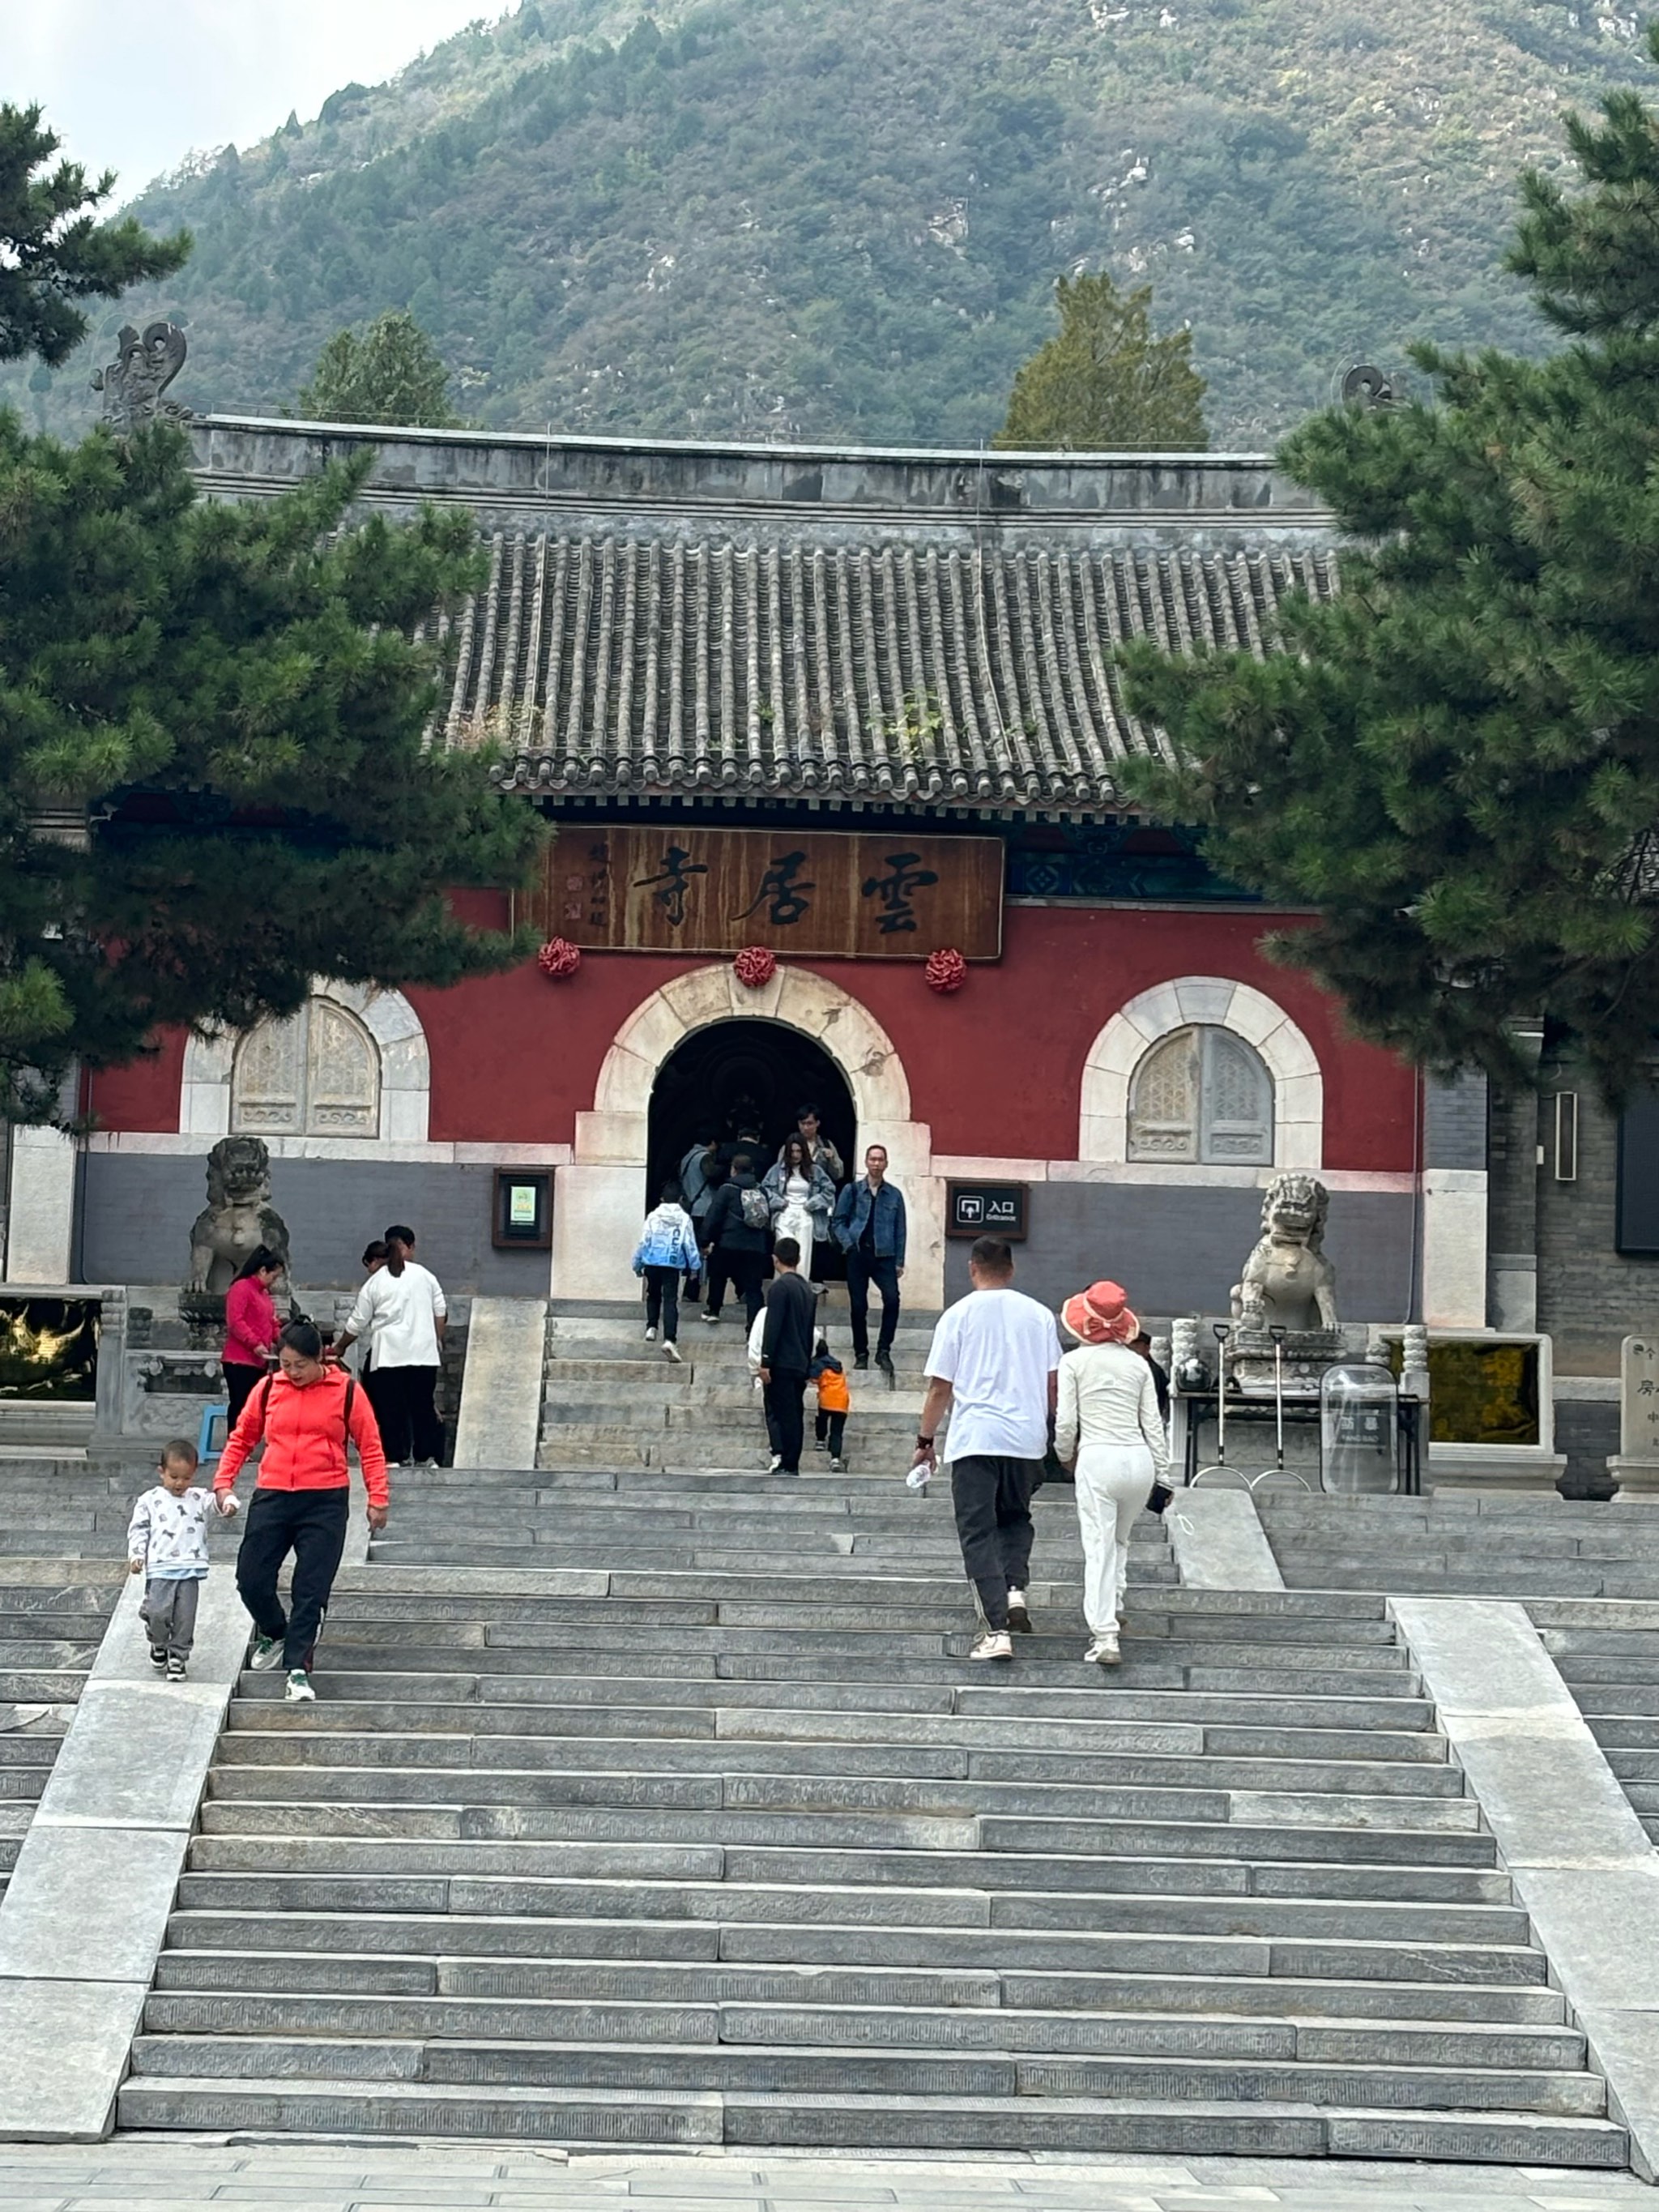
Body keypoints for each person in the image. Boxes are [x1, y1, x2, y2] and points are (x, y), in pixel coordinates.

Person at [214, 1320, 389, 1703]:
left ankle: (297, 1668)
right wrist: (223, 1481)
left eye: (298, 1365)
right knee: (251, 1577)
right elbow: (242, 1437)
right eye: (284, 1364)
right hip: (274, 1494)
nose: (290, 1372)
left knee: (310, 1590)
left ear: (320, 1359)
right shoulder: (267, 1389)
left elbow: (371, 1446)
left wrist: (378, 1497)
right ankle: (276, 1631)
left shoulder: (346, 1391)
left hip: (324, 1500)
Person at [911, 1236, 1060, 1663]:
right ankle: (1015, 1592)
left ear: (972, 1267)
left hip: (977, 1437)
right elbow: (1052, 1384)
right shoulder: (1039, 1316)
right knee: (1015, 1518)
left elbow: (941, 1386)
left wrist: (925, 1440)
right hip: (1026, 1438)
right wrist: (1051, 1432)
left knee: (977, 1531)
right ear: (1012, 1270)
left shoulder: (957, 1316)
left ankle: (995, 1630)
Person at [1056, 1282, 1170, 1668]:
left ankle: (1105, 1634)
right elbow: (1153, 1425)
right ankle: (1116, 1602)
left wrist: (1063, 1454)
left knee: (1098, 1545)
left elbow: (1066, 1422)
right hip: (1139, 1460)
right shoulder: (1138, 1364)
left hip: (1097, 1457)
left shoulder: (1073, 1363)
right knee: (1120, 1540)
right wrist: (1164, 1476)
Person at [335, 1224, 446, 1468]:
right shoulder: (425, 1276)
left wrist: (340, 1347)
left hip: (388, 1356)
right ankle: (426, 1457)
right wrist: (436, 1340)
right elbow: (440, 1312)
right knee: (423, 1407)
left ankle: (395, 1456)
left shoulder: (376, 1283)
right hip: (423, 1355)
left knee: (391, 1410)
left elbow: (357, 1323)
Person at [127, 1437, 220, 1680]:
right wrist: (137, 1554)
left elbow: (217, 1503)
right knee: (158, 1612)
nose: (180, 1483)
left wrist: (229, 1503)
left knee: (185, 1617)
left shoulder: (198, 1497)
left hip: (190, 1569)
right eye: (174, 1476)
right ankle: (158, 1641)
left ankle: (178, 1656)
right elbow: (139, 1528)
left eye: (186, 1478)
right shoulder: (150, 1500)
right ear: (162, 1472)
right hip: (160, 1569)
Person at [833, 1144, 906, 1377]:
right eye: (872, 1159)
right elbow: (838, 1221)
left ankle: (883, 1350)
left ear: (886, 1163)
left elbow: (900, 1229)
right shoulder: (852, 1191)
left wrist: (900, 1260)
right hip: (858, 1254)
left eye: (880, 1160)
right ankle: (861, 1354)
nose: (876, 1163)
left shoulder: (894, 1194)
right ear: (866, 1162)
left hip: (885, 1255)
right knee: (858, 1307)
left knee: (893, 1300)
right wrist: (848, 1243)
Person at [758, 1235, 817, 1476]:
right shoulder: (807, 1289)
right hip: (800, 1360)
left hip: (781, 1361)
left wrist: (766, 1360)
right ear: (799, 1258)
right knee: (795, 1412)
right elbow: (808, 1330)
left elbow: (773, 1325)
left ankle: (787, 1461)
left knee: (783, 1413)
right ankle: (793, 1460)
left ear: (775, 1259)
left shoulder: (779, 1288)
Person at [700, 1151, 771, 1327]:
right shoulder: (761, 1190)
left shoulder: (727, 1189)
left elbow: (714, 1217)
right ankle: (753, 1324)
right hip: (755, 1245)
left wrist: (705, 1240)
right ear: (752, 1170)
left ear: (734, 1170)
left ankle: (714, 1310)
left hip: (729, 1242)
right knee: (754, 1287)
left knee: (718, 1275)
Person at [633, 1180, 700, 1362]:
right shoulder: (684, 1218)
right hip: (672, 1263)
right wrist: (695, 1267)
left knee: (652, 1294)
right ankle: (670, 1339)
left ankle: (651, 1327)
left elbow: (644, 1241)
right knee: (670, 1300)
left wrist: (637, 1264)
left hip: (652, 1262)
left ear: (662, 1199)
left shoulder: (653, 1216)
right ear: (680, 1199)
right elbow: (689, 1244)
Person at [221, 1246, 282, 1431]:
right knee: (240, 1404)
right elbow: (236, 1322)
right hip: (239, 1360)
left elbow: (272, 1324)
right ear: (263, 1270)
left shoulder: (264, 1295)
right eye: (274, 1276)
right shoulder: (241, 1288)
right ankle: (235, 1443)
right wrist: (254, 1343)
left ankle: (246, 1443)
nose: (274, 1281)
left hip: (258, 1361)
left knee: (254, 1407)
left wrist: (286, 1342)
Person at [762, 1135, 835, 1283]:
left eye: (799, 1151)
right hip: (784, 1215)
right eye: (793, 1151)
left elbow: (829, 1190)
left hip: (806, 1216)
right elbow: (765, 1190)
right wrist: (778, 1201)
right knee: (783, 1254)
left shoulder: (815, 1170)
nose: (796, 1155)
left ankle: (800, 1292)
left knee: (802, 1257)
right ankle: (781, 1291)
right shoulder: (777, 1170)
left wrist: (813, 1203)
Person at [678, 1129, 721, 1298]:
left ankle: (690, 1288)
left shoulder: (687, 1157)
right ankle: (694, 1288)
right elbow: (710, 1173)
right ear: (712, 1143)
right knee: (703, 1249)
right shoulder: (704, 1157)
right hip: (703, 1208)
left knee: (691, 1248)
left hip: (690, 1206)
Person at [812, 1336, 851, 1471]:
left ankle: (820, 1440)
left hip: (827, 1398)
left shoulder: (818, 1363)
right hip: (842, 1400)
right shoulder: (836, 1364)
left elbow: (813, 1378)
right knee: (837, 1432)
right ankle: (835, 1459)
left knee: (821, 1418)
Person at [783, 1103, 844, 1185]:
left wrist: (832, 1160)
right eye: (802, 1123)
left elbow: (838, 1175)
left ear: (817, 1123)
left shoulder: (826, 1144)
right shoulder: (789, 1145)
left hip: (819, 1193)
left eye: (809, 1123)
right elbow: (779, 1172)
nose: (805, 1127)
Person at [1131, 1329, 1172, 1424]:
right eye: (1130, 1347)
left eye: (1136, 1346)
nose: (1133, 1350)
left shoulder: (1152, 1371)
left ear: (1147, 1348)